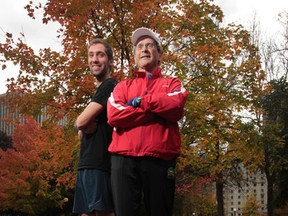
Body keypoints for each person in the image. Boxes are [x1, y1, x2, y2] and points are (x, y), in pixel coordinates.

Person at [107, 27, 188, 216]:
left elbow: (176, 105)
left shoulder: (173, 83)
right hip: (123, 158)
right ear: (135, 55)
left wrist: (141, 102)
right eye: (140, 46)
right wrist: (158, 111)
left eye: (150, 45)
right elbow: (114, 115)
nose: (144, 49)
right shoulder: (122, 87)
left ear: (159, 54)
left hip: (160, 158)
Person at [73, 38, 117, 216]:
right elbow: (80, 132)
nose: (95, 59)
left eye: (100, 55)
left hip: (99, 164)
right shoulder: (99, 91)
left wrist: (81, 124)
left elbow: (81, 123)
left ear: (111, 61)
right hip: (86, 164)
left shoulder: (110, 85)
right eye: (91, 55)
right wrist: (82, 126)